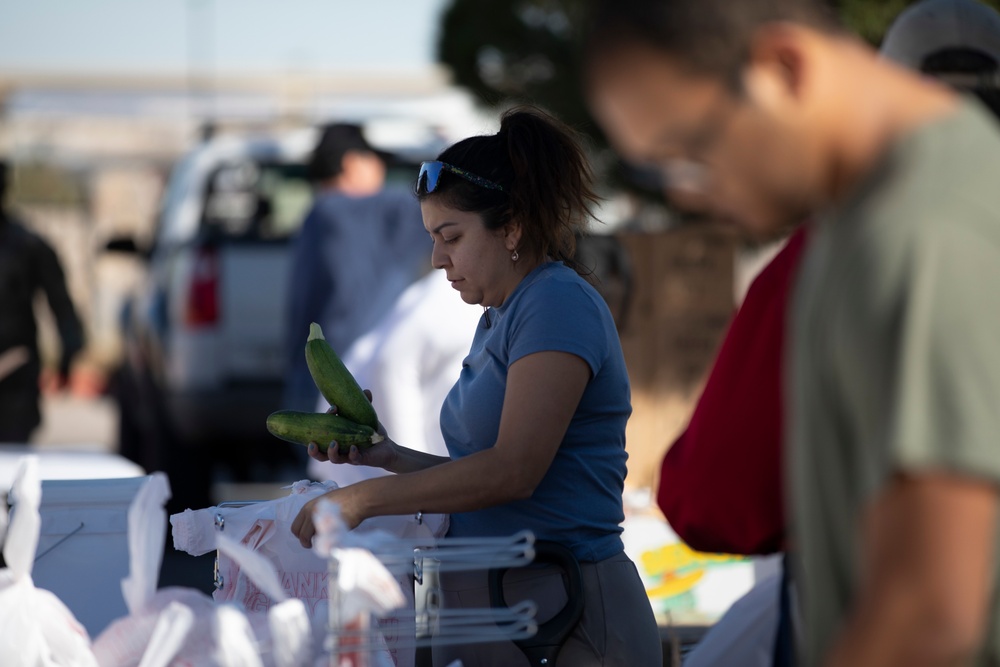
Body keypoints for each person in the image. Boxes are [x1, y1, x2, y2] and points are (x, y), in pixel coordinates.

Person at [586, 0, 1000, 665]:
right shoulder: (861, 222)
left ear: (784, 66)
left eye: (688, 151)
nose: (684, 194)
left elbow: (930, 612)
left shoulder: (923, 227)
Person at [291, 107, 662, 666]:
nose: (438, 259)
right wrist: (388, 458)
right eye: (434, 239)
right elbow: (482, 477)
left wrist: (363, 499)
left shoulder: (555, 303)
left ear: (510, 226)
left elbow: (514, 471)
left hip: (568, 620)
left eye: (452, 237)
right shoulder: (500, 315)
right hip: (511, 616)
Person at [284, 122, 430, 413]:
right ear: (352, 163)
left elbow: (299, 310)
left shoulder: (318, 215)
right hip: (370, 379)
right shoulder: (390, 209)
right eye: (376, 160)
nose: (382, 170)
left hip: (316, 378)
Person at [0, 160, 85, 443]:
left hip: (14, 370)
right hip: (18, 371)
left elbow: (61, 305)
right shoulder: (29, 244)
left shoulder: (28, 247)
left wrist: (68, 355)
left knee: (11, 465)